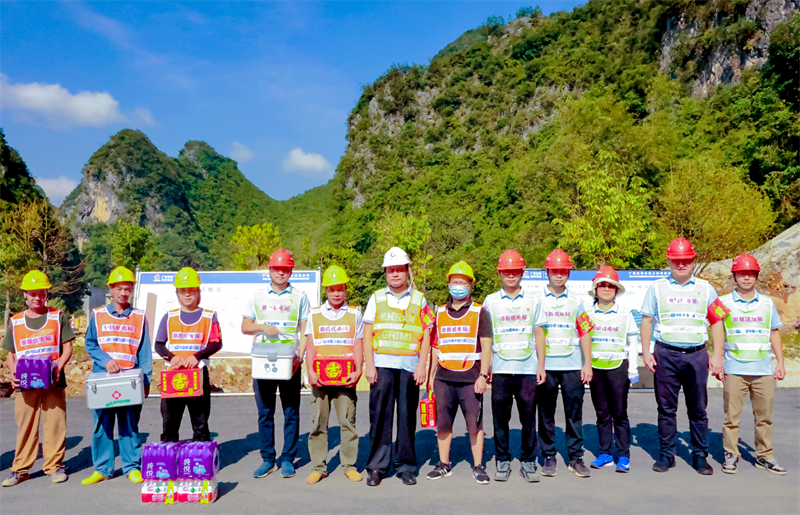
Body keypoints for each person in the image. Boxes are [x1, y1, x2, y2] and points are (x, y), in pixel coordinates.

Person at [640, 238, 729, 475]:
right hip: (665, 355)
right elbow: (647, 320)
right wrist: (646, 352)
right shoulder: (656, 288)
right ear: (669, 261)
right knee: (666, 409)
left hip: (696, 356)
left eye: (686, 260)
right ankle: (667, 455)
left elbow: (717, 322)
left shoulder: (706, 288)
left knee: (698, 409)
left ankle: (700, 455)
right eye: (676, 260)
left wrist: (717, 355)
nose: (681, 264)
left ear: (693, 260)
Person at [363, 247, 433, 487]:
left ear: (406, 271)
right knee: (379, 418)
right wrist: (369, 365)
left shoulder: (420, 299)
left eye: (399, 270)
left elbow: (427, 334)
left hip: (409, 368)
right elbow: (367, 333)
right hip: (382, 367)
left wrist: (422, 365)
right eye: (390, 270)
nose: (395, 274)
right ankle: (376, 466)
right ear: (385, 273)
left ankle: (406, 466)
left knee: (406, 418)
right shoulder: (376, 298)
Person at [242, 249, 310, 480]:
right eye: (277, 269)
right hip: (264, 359)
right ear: (270, 270)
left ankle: (288, 458)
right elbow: (245, 326)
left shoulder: (300, 296)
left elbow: (305, 330)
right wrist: (262, 327)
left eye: (285, 269)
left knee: (291, 411)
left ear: (291, 271)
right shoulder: (257, 296)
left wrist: (300, 356)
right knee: (265, 412)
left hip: (289, 360)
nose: (281, 273)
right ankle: (268, 459)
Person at [2, 271, 74, 487]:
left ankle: (54, 466)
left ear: (46, 294)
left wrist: (58, 366)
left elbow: (67, 347)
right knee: (26, 425)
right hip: (25, 382)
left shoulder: (58, 317)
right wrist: (13, 373)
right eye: (32, 294)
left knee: (55, 423)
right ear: (25, 294)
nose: (37, 298)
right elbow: (11, 354)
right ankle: (21, 469)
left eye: (41, 293)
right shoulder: (15, 322)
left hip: (53, 379)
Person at [82, 266, 152, 485]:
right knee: (102, 424)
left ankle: (132, 466)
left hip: (130, 378)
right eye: (119, 288)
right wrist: (106, 361)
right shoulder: (98, 315)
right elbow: (90, 343)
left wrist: (146, 379)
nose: (123, 293)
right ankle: (103, 468)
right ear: (110, 289)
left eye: (127, 288)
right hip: (103, 377)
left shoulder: (139, 317)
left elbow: (144, 351)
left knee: (129, 423)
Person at [717, 254, 787, 475]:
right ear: (734, 276)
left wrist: (780, 362)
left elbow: (774, 333)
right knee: (731, 418)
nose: (746, 278)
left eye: (750, 274)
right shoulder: (722, 303)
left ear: (756, 276)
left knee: (764, 417)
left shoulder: (767, 303)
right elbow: (716, 329)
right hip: (734, 369)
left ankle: (765, 455)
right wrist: (716, 358)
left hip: (763, 369)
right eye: (742, 274)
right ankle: (731, 454)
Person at [425, 261, 493, 484]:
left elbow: (486, 346)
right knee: (443, 424)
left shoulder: (480, 312)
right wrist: (431, 376)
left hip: (471, 378)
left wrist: (483, 376)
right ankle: (444, 464)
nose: (458, 286)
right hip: (444, 378)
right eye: (454, 281)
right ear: (448, 284)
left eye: (463, 282)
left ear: (471, 285)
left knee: (474, 424)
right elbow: (436, 347)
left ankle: (478, 466)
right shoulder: (440, 312)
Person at [483, 250, 548, 483]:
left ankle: (528, 459)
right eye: (506, 272)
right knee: (500, 419)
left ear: (522, 273)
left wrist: (541, 365)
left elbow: (539, 334)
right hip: (501, 369)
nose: (511, 275)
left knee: (528, 418)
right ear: (500, 274)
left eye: (515, 271)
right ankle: (502, 458)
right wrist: (487, 366)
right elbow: (487, 337)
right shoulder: (490, 301)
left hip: (527, 369)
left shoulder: (533, 300)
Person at [537, 249, 594, 478]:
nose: (559, 275)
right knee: (546, 413)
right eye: (555, 271)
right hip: (546, 366)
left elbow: (585, 332)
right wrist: (538, 365)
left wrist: (587, 363)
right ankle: (548, 455)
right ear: (547, 272)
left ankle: (575, 457)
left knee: (574, 413)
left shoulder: (577, 301)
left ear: (569, 273)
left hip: (572, 365)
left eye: (563, 271)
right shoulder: (537, 300)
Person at [304, 265, 364, 484]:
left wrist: (358, 370)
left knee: (347, 422)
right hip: (320, 378)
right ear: (326, 291)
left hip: (345, 378)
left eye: (340, 289)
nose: (336, 293)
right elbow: (311, 346)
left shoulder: (354, 313)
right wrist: (310, 372)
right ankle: (318, 467)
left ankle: (349, 465)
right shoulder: (315, 314)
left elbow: (358, 344)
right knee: (318, 423)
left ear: (346, 289)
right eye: (332, 289)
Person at [154, 267, 222, 442]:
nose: (187, 294)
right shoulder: (169, 317)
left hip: (197, 375)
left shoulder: (209, 316)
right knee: (169, 421)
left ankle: (201, 455)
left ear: (198, 291)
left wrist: (197, 356)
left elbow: (216, 343)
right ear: (177, 293)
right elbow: (159, 345)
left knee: (200, 422)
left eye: (191, 290)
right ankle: (168, 455)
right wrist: (171, 358)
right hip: (174, 375)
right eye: (182, 290)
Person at [584, 267, 640, 473]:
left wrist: (633, 369)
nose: (606, 289)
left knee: (619, 413)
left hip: (618, 368)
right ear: (595, 289)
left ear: (616, 290)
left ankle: (623, 455)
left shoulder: (625, 314)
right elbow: (582, 341)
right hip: (595, 369)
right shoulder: (587, 313)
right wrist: (584, 365)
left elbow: (632, 341)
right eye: (602, 285)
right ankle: (605, 453)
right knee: (602, 413)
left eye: (611, 286)